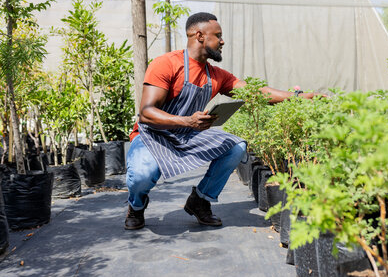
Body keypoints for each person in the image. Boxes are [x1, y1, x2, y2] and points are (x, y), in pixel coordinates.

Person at [124, 12, 317, 230]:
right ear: (199, 35)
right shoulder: (166, 64)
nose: (222, 41)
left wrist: (300, 97)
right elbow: (147, 113)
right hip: (153, 136)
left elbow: (256, 92)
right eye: (218, 35)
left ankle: (200, 200)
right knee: (142, 175)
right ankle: (136, 206)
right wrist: (188, 121)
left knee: (235, 146)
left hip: (187, 133)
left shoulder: (215, 75)